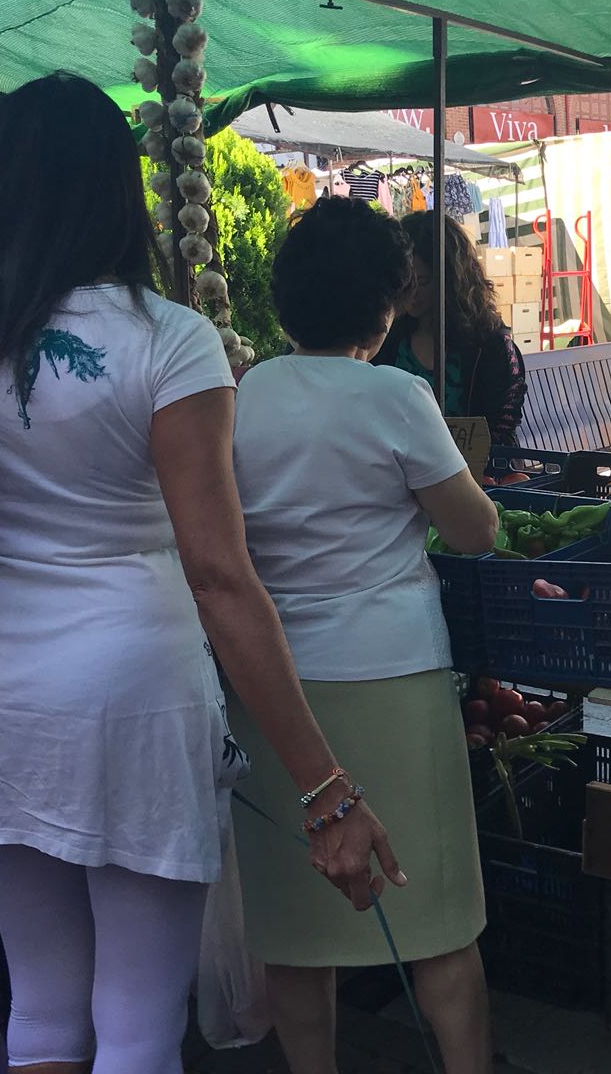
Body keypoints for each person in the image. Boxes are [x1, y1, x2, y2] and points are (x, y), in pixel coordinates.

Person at [0, 74, 401, 1074]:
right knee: (136, 1021)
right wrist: (326, 785)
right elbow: (219, 576)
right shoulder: (169, 339)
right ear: (117, 187)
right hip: (131, 687)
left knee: (41, 1006)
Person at [232, 196, 499, 1074]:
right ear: (386, 306)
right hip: (395, 674)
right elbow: (474, 531)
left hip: (273, 690)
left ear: (286, 301)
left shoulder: (245, 393)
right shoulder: (397, 396)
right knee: (437, 921)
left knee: (294, 927)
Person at [376, 211, 527, 445]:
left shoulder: (489, 343)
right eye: (404, 280)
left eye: (423, 282)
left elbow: (501, 428)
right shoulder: (388, 335)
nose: (411, 292)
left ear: (451, 279)